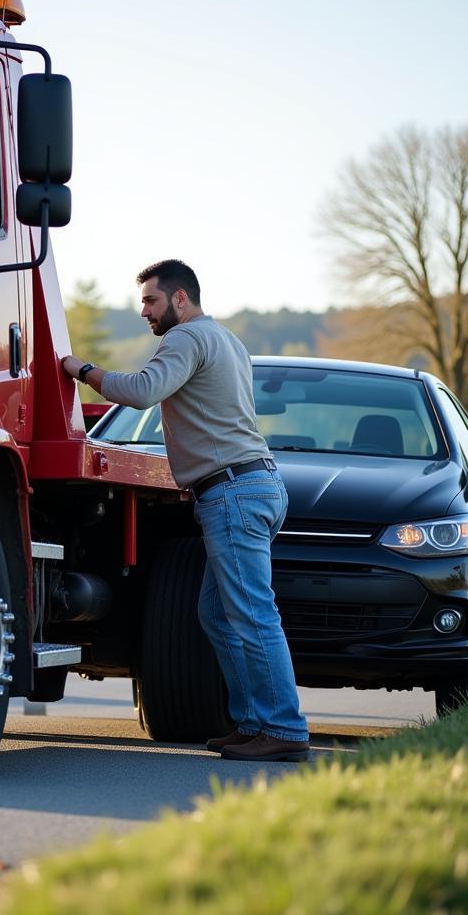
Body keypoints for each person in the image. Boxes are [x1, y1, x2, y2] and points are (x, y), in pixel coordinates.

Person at [62, 259, 309, 761]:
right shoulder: (226, 339)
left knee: (252, 615)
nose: (144, 312)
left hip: (233, 492)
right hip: (254, 485)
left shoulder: (186, 339)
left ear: (179, 299)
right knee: (217, 615)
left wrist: (80, 370)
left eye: (151, 301)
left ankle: (284, 729)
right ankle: (253, 723)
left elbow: (142, 391)